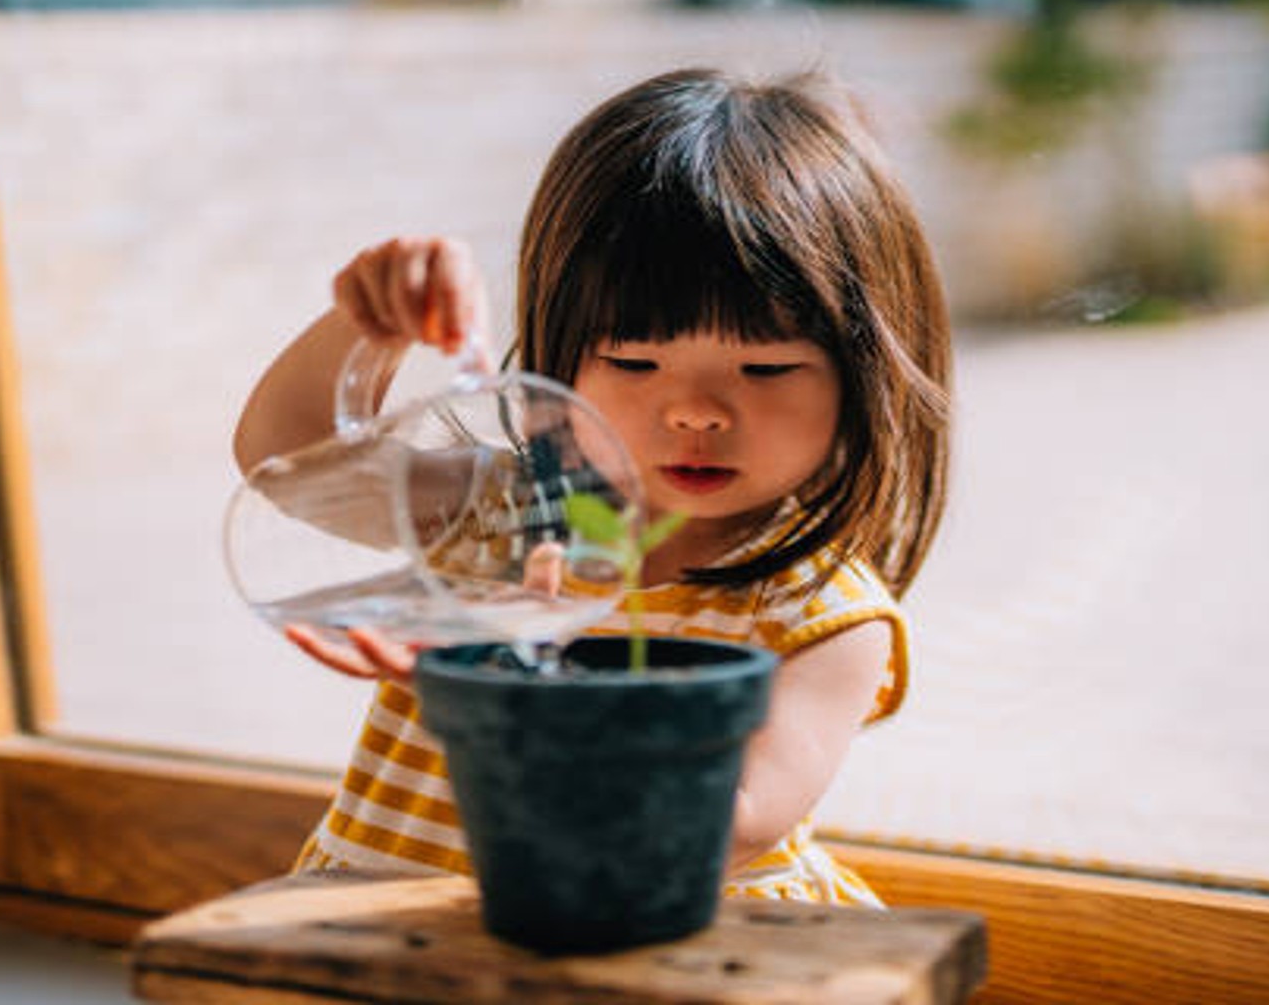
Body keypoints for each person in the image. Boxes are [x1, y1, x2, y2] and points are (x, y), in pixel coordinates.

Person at [233, 67, 952, 905]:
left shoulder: (818, 611)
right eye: (634, 361)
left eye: (766, 367)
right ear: (560, 349)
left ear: (863, 376)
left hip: (665, 946)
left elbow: (730, 820)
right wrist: (377, 325)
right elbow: (286, 460)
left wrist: (506, 699)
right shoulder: (511, 510)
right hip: (392, 916)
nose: (694, 411)